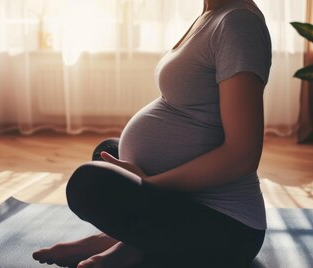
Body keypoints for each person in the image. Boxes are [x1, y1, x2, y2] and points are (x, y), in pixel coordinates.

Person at [33, 0, 271, 267]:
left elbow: (243, 155)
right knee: (109, 152)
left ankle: (129, 246)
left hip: (225, 228)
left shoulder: (238, 23)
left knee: (89, 184)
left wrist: (151, 183)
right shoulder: (211, 15)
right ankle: (121, 241)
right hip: (183, 203)